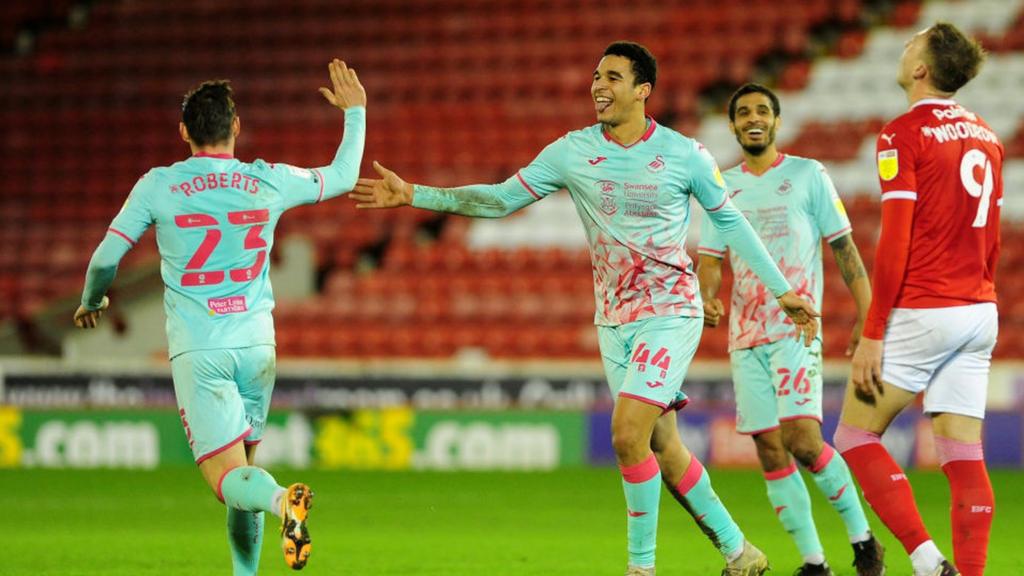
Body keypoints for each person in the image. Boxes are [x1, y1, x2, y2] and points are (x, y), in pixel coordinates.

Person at [351, 41, 820, 576]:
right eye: (597, 76)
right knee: (662, 447)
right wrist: (416, 194)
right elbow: (502, 199)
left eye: (613, 77)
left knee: (625, 436)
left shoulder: (685, 154)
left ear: (643, 90)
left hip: (671, 312)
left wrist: (782, 289)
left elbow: (732, 222)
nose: (598, 85)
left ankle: (640, 569)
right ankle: (742, 554)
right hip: (614, 321)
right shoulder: (572, 151)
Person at [73, 59, 367, 573]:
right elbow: (343, 177)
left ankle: (283, 502)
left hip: (201, 348)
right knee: (242, 475)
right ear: (236, 127)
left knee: (227, 480)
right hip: (258, 346)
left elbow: (104, 259)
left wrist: (94, 299)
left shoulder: (158, 185)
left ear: (183, 131)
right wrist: (357, 112)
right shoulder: (267, 180)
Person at [833, 22, 1000, 576]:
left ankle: (929, 563)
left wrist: (874, 331)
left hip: (927, 308)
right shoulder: (986, 135)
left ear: (923, 68)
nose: (904, 49)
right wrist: (981, 295)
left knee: (855, 435)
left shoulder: (902, 134)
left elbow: (896, 238)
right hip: (979, 308)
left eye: (912, 44)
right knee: (963, 456)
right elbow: (992, 237)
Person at [696, 83, 884, 576]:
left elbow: (844, 248)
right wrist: (707, 294)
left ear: (777, 122)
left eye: (762, 110)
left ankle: (864, 541)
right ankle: (814, 562)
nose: (753, 118)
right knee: (768, 447)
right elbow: (711, 259)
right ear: (733, 125)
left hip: (796, 330)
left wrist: (869, 314)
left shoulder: (807, 175)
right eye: (743, 113)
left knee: (803, 439)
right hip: (746, 335)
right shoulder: (722, 186)